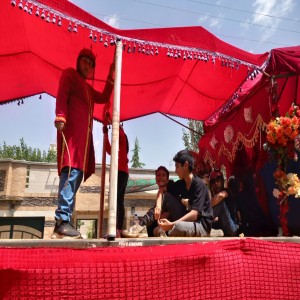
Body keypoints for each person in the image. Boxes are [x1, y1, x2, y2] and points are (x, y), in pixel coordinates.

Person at [51, 48, 114, 239]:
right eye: (85, 61)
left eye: (91, 64)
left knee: (76, 176)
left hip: (84, 142)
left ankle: (63, 222)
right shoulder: (70, 74)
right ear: (79, 61)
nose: (87, 66)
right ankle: (62, 220)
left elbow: (103, 97)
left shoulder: (87, 89)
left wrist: (111, 77)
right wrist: (60, 115)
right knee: (70, 173)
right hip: (72, 137)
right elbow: (61, 94)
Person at [157, 150, 213, 237]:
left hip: (201, 226)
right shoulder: (181, 183)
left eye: (177, 166)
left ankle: (168, 230)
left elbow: (194, 214)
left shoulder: (198, 184)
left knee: (178, 227)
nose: (175, 171)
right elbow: (162, 190)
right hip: (189, 222)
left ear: (186, 165)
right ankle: (148, 225)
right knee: (167, 196)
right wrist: (158, 206)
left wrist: (171, 224)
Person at [121, 166, 171, 238]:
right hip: (162, 222)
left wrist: (160, 208)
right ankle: (142, 228)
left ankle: (140, 225)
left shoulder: (171, 186)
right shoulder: (160, 192)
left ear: (167, 179)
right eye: (158, 175)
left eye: (163, 175)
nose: (160, 177)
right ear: (156, 178)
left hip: (173, 222)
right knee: (149, 228)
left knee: (160, 202)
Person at [103, 123, 129, 238]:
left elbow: (120, 133)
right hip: (120, 171)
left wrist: (115, 123)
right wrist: (105, 134)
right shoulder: (116, 145)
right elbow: (108, 149)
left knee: (117, 200)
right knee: (118, 200)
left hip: (121, 172)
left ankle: (117, 228)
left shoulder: (122, 138)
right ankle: (117, 228)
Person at [209, 171, 239, 237]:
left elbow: (221, 196)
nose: (216, 183)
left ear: (222, 181)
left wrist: (205, 208)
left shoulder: (227, 191)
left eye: (218, 180)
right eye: (213, 182)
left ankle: (202, 224)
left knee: (221, 204)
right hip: (224, 226)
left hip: (233, 228)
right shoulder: (214, 196)